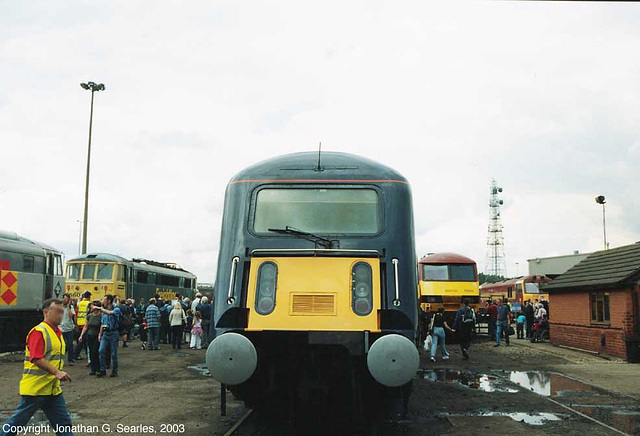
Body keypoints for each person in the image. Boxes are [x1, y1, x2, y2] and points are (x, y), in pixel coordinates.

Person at [0, 299, 74, 436]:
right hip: (36, 390)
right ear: (46, 312)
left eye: (62, 312)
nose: (61, 315)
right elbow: (36, 357)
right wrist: (57, 372)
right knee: (16, 424)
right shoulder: (39, 332)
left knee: (64, 424)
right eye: (58, 312)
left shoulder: (57, 332)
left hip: (52, 390)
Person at [96, 294, 120, 377]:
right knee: (101, 350)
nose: (103, 301)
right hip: (105, 334)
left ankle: (114, 371)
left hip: (113, 333)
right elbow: (102, 323)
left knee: (113, 353)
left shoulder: (116, 309)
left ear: (109, 301)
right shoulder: (104, 312)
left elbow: (110, 313)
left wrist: (100, 308)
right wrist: (100, 334)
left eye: (104, 300)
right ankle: (102, 370)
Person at [78, 301, 102, 375]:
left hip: (96, 336)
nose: (91, 307)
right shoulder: (89, 316)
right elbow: (86, 326)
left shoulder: (101, 316)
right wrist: (81, 335)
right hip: (90, 335)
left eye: (92, 306)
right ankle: (93, 369)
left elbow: (101, 326)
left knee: (95, 351)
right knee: (91, 352)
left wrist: (100, 335)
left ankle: (98, 368)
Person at [73, 291, 91, 361]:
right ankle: (76, 354)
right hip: (86, 324)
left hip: (79, 323)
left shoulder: (79, 304)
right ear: (89, 297)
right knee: (83, 341)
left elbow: (76, 313)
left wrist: (76, 323)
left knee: (82, 340)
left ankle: (86, 354)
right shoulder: (89, 304)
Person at [59, 294, 76, 367]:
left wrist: (68, 307)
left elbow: (71, 316)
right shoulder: (59, 307)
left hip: (69, 328)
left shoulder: (71, 307)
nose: (65, 300)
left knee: (70, 344)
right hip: (61, 328)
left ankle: (70, 360)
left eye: (67, 299)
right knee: (61, 345)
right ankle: (59, 359)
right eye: (64, 299)